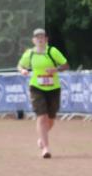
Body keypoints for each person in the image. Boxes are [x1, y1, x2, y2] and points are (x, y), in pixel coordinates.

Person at [17, 28, 69, 158]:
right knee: (41, 116)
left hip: (53, 88)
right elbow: (20, 65)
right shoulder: (29, 54)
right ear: (33, 40)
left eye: (42, 37)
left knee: (51, 118)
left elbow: (66, 65)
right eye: (37, 37)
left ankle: (42, 137)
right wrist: (22, 70)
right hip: (36, 87)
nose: (40, 39)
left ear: (46, 39)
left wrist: (55, 69)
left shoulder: (52, 51)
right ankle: (46, 148)